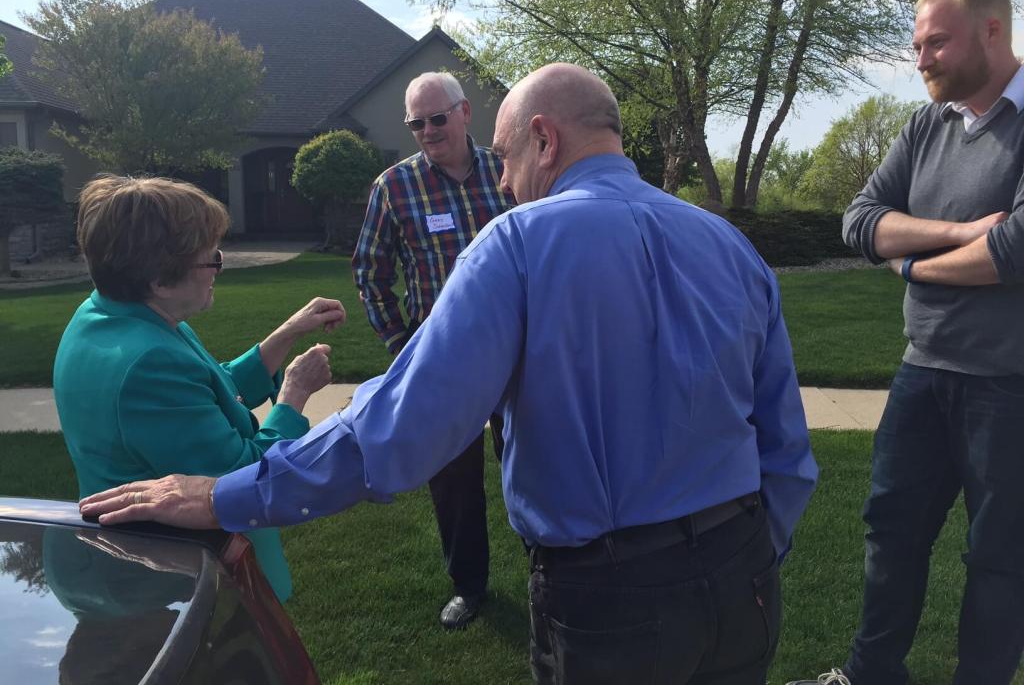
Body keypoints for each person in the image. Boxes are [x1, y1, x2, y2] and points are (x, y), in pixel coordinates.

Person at [80, 64, 818, 684]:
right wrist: (751, 553)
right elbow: (786, 448)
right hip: (745, 579)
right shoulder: (728, 243)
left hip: (613, 601)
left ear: (544, 139)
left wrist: (228, 495)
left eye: (503, 156)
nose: (499, 180)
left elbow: (397, 431)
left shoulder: (518, 244)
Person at [787, 0, 1024, 685]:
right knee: (891, 532)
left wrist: (915, 266)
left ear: (992, 32)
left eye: (936, 42)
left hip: (1009, 386)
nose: (921, 58)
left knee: (999, 558)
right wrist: (955, 234)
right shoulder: (928, 124)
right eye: (917, 44)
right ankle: (869, 675)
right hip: (924, 369)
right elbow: (860, 222)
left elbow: (1014, 251)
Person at [55, 174, 344, 603]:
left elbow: (210, 390)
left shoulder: (112, 316)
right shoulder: (147, 364)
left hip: (143, 568)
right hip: (176, 586)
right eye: (210, 261)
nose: (216, 269)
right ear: (159, 281)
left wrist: (286, 334)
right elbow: (241, 478)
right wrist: (293, 396)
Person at [352, 71, 514, 629]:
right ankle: (469, 586)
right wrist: (400, 342)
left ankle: (557, 568)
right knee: (452, 481)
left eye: (436, 118)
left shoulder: (506, 170)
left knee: (538, 459)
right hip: (441, 361)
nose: (426, 131)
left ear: (465, 112)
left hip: (517, 348)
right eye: (415, 123)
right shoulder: (393, 188)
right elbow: (369, 272)